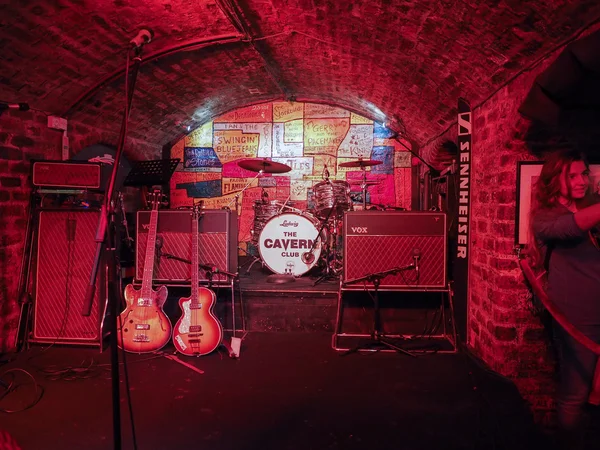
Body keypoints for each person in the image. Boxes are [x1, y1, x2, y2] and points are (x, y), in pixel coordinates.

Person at [528, 148, 600, 449]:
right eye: (572, 175)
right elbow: (572, 227)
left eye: (584, 173)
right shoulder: (545, 217)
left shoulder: (584, 208)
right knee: (574, 392)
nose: (581, 180)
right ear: (554, 179)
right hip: (576, 315)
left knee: (595, 392)